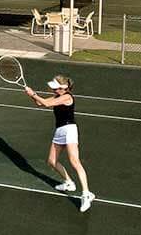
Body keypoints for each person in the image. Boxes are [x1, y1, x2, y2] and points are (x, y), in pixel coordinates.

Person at [25, 75, 95, 212]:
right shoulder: (57, 97)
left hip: (69, 130)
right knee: (52, 161)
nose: (53, 89)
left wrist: (33, 93)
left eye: (55, 87)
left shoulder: (67, 97)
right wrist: (31, 95)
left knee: (74, 161)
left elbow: (46, 104)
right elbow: (40, 103)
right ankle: (69, 182)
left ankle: (86, 194)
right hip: (59, 131)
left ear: (64, 88)